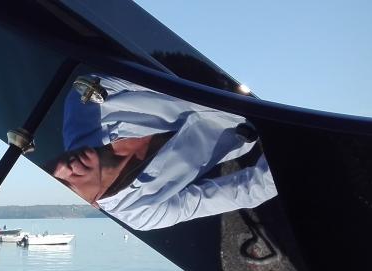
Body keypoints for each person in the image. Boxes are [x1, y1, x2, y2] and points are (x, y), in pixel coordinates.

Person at [48, 73, 277, 231]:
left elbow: (94, 83)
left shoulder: (82, 107)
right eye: (66, 184)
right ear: (93, 204)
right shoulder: (140, 213)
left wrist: (197, 89)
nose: (62, 166)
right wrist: (286, 144)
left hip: (216, 73)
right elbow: (245, 191)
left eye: (49, 166)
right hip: (255, 118)